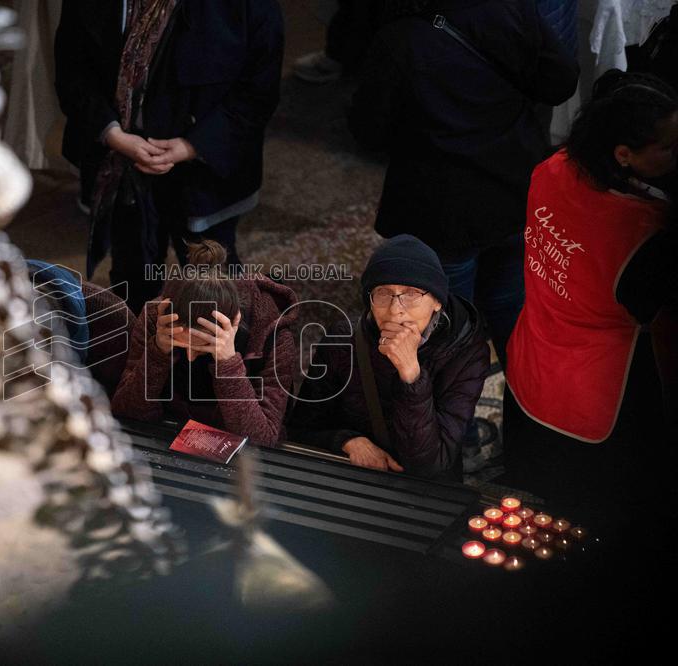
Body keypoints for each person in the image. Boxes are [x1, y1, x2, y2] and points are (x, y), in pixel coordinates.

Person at [347, 0, 579, 366]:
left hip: (441, 212)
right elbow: (560, 82)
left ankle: (458, 423)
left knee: (448, 334)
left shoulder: (399, 38)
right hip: (514, 192)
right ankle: (526, 413)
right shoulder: (508, 8)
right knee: (512, 316)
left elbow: (369, 131)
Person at [503, 70, 678, 531]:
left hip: (534, 357)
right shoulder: (644, 234)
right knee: (595, 515)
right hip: (594, 394)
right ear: (625, 155)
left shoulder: (554, 166)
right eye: (668, 147)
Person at [54, 0, 284, 312]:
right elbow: (73, 71)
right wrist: (113, 135)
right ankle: (139, 351)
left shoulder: (244, 8)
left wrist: (192, 146)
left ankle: (219, 359)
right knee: (133, 276)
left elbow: (258, 90)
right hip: (122, 166)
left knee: (211, 285)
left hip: (205, 174)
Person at [289, 235, 490, 481]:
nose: (395, 310)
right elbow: (301, 427)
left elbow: (431, 465)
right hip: (354, 476)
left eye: (411, 293)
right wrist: (347, 441)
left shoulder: (465, 349)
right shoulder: (344, 339)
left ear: (437, 301)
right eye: (383, 293)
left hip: (425, 491)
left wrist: (411, 376)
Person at [110, 240, 298, 445]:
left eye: (203, 349)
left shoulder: (274, 336)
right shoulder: (157, 317)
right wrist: (158, 352)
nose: (189, 357)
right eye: (181, 345)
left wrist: (227, 364)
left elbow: (264, 439)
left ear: (233, 323)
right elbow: (127, 412)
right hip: (169, 436)